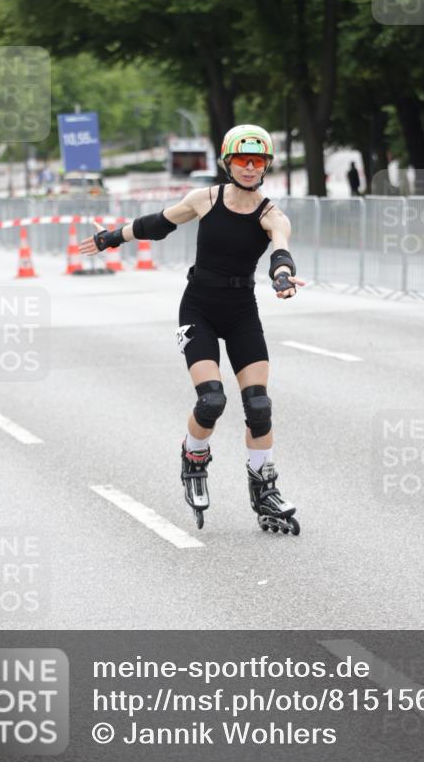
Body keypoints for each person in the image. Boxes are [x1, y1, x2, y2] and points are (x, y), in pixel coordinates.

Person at [79, 125, 306, 535]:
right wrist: (111, 237)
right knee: (212, 400)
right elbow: (158, 224)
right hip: (199, 307)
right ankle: (195, 455)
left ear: (267, 165)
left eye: (258, 161)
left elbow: (281, 249)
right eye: (242, 159)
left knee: (259, 407)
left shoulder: (272, 214)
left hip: (241, 312)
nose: (251, 168)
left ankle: (264, 489)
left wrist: (282, 276)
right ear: (228, 162)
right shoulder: (205, 199)